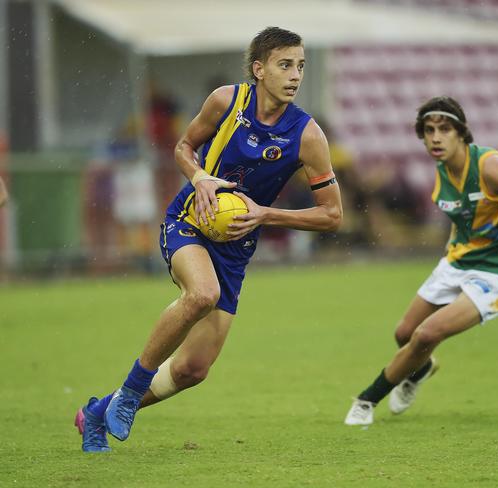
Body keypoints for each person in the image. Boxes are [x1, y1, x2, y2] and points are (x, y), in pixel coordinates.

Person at [75, 26, 342, 452]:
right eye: (285, 65)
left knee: (192, 370)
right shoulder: (226, 101)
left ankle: (97, 412)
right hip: (188, 221)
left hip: (236, 245)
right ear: (259, 69)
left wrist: (265, 214)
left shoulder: (308, 136)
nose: (295, 75)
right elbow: (183, 147)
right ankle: (128, 394)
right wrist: (198, 177)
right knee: (201, 294)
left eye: (301, 66)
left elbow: (332, 215)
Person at [344, 96, 498, 426]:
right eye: (429, 130)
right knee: (405, 333)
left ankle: (366, 401)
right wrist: (451, 249)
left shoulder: (491, 167)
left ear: (461, 133)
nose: (435, 137)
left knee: (426, 335)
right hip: (461, 260)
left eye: (444, 129)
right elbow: (463, 216)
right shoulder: (443, 170)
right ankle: (421, 372)